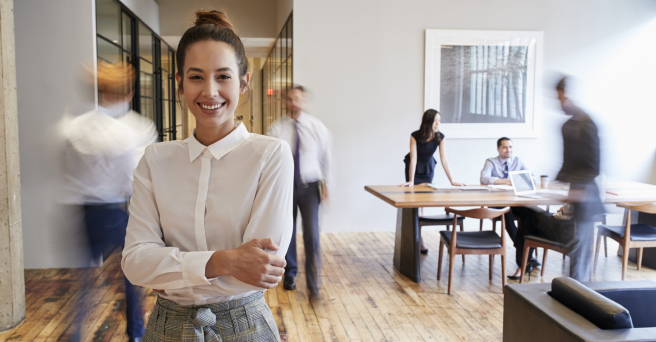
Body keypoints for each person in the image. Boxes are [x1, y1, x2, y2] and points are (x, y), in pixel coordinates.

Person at [121, 10, 293, 341]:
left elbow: (261, 270)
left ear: (243, 83)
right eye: (196, 77)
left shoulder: (271, 154)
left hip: (245, 324)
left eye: (223, 77)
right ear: (179, 83)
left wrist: (171, 269)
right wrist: (226, 260)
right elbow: (135, 263)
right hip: (167, 327)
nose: (210, 92)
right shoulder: (155, 160)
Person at [63, 61, 157, 342]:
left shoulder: (74, 127)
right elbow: (133, 180)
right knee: (131, 275)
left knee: (83, 280)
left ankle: (76, 334)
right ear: (129, 93)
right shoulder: (133, 131)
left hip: (83, 212)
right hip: (115, 211)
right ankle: (136, 333)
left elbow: (67, 171)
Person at [267, 85, 332, 300]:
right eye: (291, 99)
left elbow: (326, 157)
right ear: (285, 101)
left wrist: (327, 184)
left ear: (303, 102)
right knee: (288, 232)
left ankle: (314, 284)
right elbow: (270, 160)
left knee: (312, 235)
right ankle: (290, 274)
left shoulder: (316, 127)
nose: (294, 102)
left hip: (310, 186)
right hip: (286, 188)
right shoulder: (276, 129)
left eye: (298, 99)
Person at [554, 76, 603, 281]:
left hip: (587, 197)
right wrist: (558, 185)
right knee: (573, 248)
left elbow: (594, 166)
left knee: (580, 250)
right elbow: (567, 163)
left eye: (562, 99)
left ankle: (578, 294)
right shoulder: (566, 126)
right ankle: (572, 292)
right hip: (574, 195)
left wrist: (578, 190)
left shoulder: (588, 124)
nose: (560, 104)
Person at [399, 109, 464, 254]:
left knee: (422, 203)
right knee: (414, 204)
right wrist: (410, 181)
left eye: (439, 120)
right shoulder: (415, 136)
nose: (438, 124)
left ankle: (418, 237)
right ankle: (418, 238)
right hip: (413, 169)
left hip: (428, 169)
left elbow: (444, 159)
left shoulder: (440, 137)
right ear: (428, 122)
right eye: (435, 121)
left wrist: (452, 181)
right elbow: (414, 159)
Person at [480, 137, 541, 269]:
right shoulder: (491, 162)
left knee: (532, 212)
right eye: (505, 147)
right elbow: (484, 179)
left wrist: (528, 179)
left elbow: (531, 176)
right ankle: (524, 253)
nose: (509, 150)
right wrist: (508, 181)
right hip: (497, 202)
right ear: (498, 149)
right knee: (506, 212)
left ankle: (525, 252)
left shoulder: (517, 161)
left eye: (510, 147)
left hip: (515, 201)